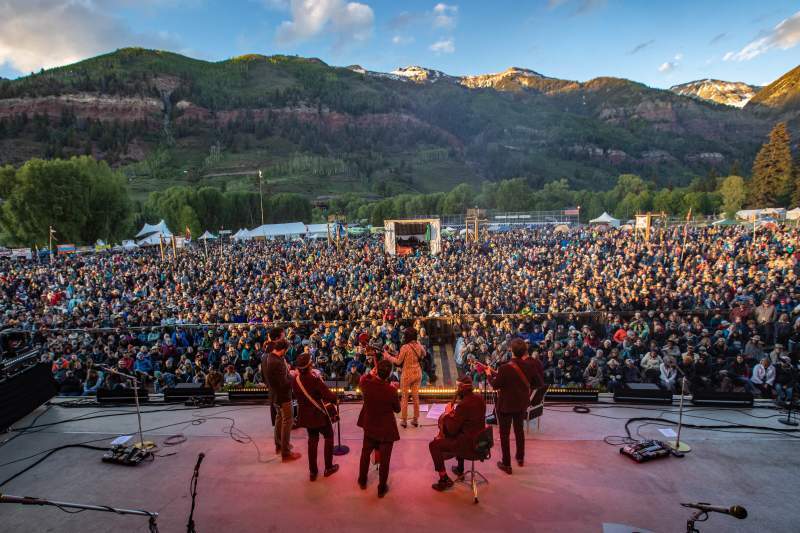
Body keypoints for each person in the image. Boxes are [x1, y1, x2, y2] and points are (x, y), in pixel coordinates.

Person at [429, 375, 486, 491]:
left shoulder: (463, 405)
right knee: (461, 432)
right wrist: (456, 415)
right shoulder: (480, 399)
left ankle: (444, 480)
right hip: (481, 441)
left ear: (460, 388)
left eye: (457, 387)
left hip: (468, 444)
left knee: (434, 445)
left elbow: (452, 429)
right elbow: (468, 420)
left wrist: (449, 413)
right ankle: (460, 468)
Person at [486, 338, 534, 474]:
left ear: (511, 351)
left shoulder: (505, 368)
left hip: (506, 405)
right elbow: (533, 382)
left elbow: (495, 385)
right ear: (524, 351)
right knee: (519, 431)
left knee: (504, 434)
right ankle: (520, 458)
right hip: (521, 404)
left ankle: (506, 464)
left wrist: (489, 375)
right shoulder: (530, 366)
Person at [291, 353, 339, 481]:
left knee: (312, 441)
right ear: (309, 366)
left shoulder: (295, 380)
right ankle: (328, 467)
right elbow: (329, 395)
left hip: (306, 416)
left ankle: (313, 472)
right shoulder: (314, 379)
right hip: (319, 415)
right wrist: (336, 400)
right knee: (329, 436)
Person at [357, 360, 400, 498]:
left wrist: (370, 374)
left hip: (369, 425)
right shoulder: (391, 390)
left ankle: (362, 480)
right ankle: (381, 488)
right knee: (385, 460)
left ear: (376, 371)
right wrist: (395, 390)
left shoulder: (366, 384)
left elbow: (362, 379)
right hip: (386, 429)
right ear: (389, 374)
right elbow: (397, 409)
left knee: (365, 453)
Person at [263, 339, 301, 462]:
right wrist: (293, 376)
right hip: (283, 396)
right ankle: (286, 453)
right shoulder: (277, 362)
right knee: (287, 421)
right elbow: (284, 383)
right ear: (283, 349)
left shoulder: (269, 357)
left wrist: (287, 372)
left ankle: (279, 445)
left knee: (279, 419)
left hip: (275, 395)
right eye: (286, 350)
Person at [384, 327, 425, 428]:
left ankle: (404, 421)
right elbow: (424, 354)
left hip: (407, 375)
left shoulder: (405, 347)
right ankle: (415, 420)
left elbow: (398, 362)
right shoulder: (419, 345)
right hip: (418, 373)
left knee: (404, 398)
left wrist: (387, 356)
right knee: (415, 396)